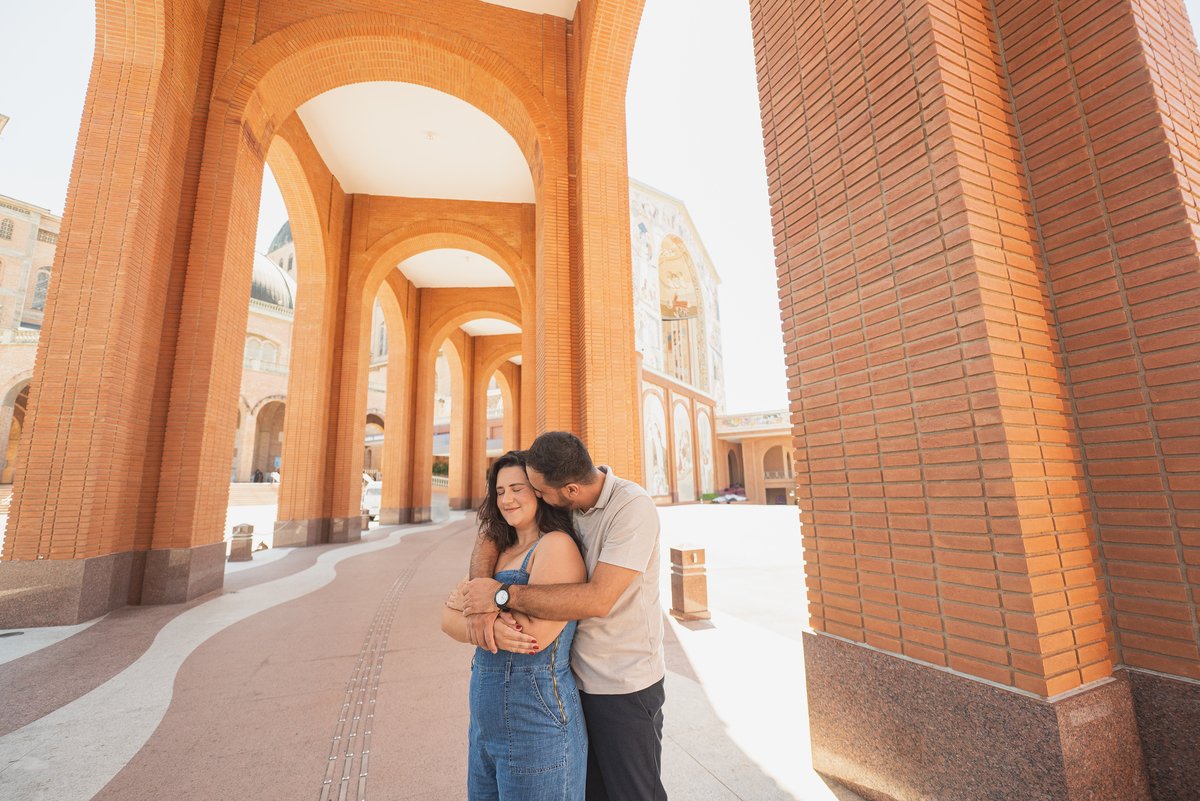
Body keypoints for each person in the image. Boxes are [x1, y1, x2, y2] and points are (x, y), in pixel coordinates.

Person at [462, 432, 667, 801]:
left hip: (623, 682)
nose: (531, 497)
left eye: (536, 491)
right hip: (573, 680)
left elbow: (598, 599)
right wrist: (480, 585)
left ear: (569, 490)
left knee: (634, 793)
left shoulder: (632, 508)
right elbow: (495, 529)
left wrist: (499, 595)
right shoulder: (568, 502)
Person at [442, 450, 589, 800]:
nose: (506, 499)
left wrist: (478, 613)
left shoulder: (556, 546)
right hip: (483, 726)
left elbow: (532, 637)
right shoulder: (495, 552)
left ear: (538, 491)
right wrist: (491, 624)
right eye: (500, 490)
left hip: (536, 723)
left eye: (517, 488)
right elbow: (446, 620)